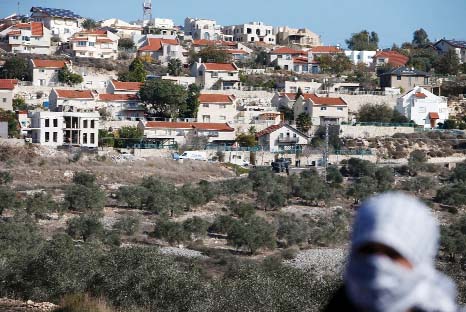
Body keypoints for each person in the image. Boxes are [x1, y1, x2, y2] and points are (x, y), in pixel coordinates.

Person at [324, 192, 460, 312]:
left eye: (392, 254)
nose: (377, 263)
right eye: (368, 250)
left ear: (420, 259)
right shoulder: (337, 305)